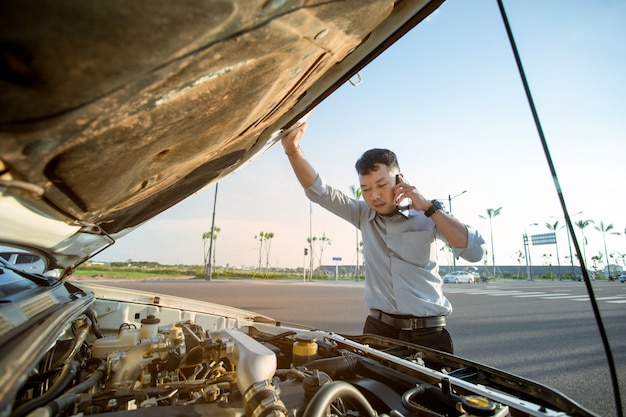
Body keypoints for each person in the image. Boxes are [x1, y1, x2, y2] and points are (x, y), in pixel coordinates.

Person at [281, 122, 485, 353]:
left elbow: (474, 252)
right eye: (365, 189)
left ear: (400, 180)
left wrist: (429, 208)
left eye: (381, 184)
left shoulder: (427, 215)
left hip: (427, 335)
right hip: (379, 331)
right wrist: (292, 150)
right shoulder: (361, 214)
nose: (374, 196)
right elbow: (320, 192)